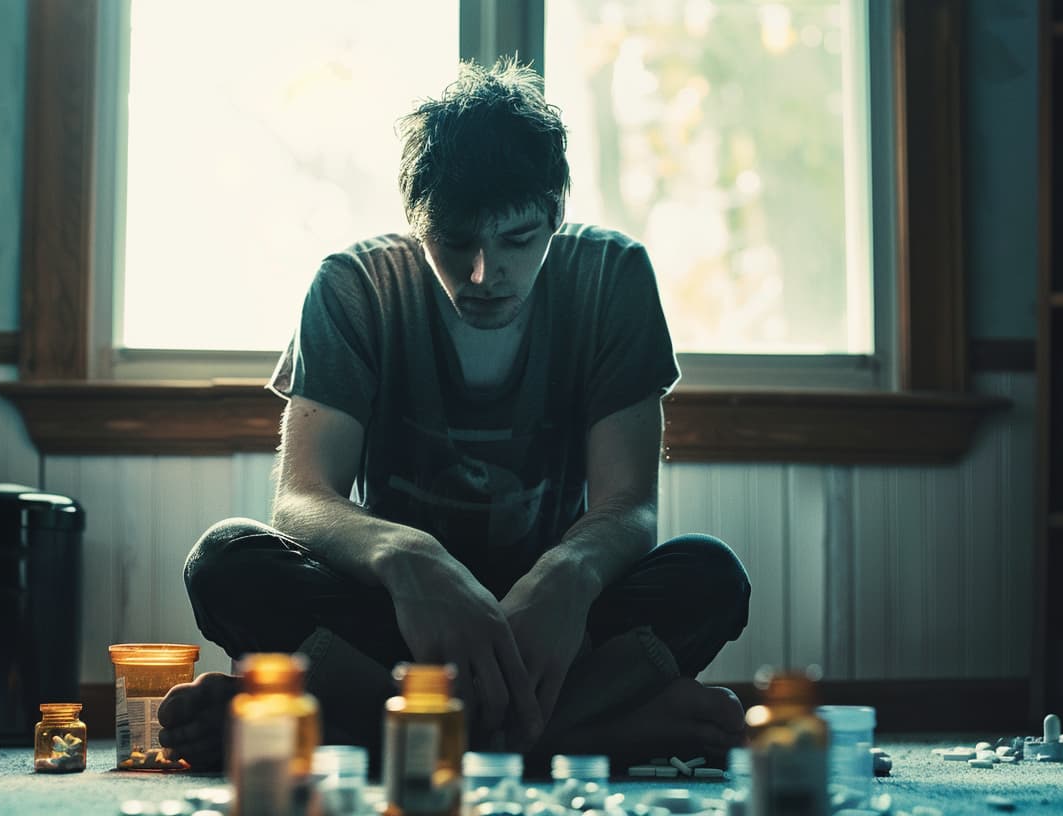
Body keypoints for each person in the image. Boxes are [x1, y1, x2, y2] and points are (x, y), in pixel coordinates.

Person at [158, 58, 751, 771]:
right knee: (227, 565)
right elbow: (302, 500)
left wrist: (568, 575)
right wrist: (410, 560)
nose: (482, 274)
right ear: (416, 223)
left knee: (711, 579)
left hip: (551, 633)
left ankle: (332, 726)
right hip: (399, 625)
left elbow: (629, 505)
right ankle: (592, 731)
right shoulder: (353, 287)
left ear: (557, 210)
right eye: (453, 242)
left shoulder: (612, 277)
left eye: (517, 241)